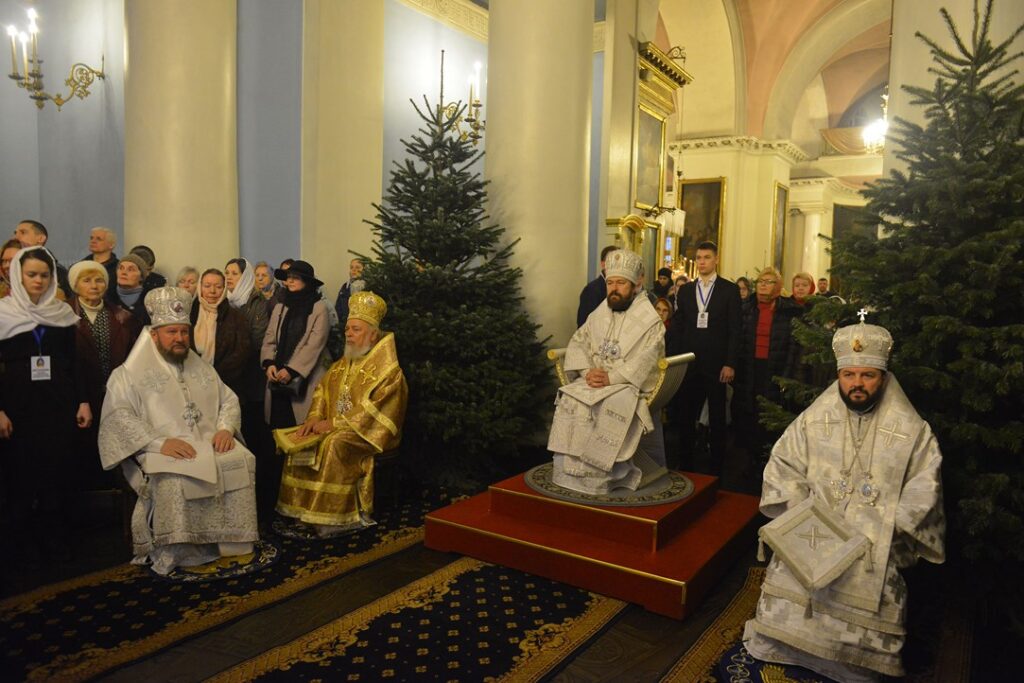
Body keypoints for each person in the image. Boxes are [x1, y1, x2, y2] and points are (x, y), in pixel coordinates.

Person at [743, 318, 945, 682]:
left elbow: (924, 487)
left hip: (874, 545)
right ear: (838, 375)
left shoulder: (913, 431)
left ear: (883, 377)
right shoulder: (813, 420)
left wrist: (889, 532)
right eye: (849, 375)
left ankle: (855, 664)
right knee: (793, 575)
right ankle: (791, 647)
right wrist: (800, 519)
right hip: (815, 533)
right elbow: (782, 466)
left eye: (867, 376)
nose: (857, 385)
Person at [98, 287, 259, 575]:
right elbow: (117, 417)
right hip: (161, 449)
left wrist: (225, 428)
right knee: (175, 476)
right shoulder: (128, 375)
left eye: (184, 332)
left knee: (242, 459)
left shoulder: (202, 368)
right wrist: (158, 444)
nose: (180, 339)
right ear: (154, 334)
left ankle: (231, 545)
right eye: (171, 332)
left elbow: (229, 399)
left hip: (209, 442)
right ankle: (183, 551)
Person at [275, 291, 408, 535]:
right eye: (348, 329)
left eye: (355, 329)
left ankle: (329, 519)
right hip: (339, 426)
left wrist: (334, 423)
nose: (348, 333)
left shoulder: (389, 372)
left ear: (372, 334)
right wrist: (314, 418)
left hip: (368, 433)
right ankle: (302, 513)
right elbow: (321, 393)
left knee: (333, 444)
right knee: (302, 440)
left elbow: (377, 411)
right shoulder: (340, 365)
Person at [548, 249, 666, 494]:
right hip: (595, 379)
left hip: (624, 384)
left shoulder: (650, 321)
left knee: (611, 403)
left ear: (636, 283)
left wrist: (611, 378)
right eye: (610, 282)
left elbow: (647, 360)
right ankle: (572, 471)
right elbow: (579, 341)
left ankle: (605, 475)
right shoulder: (598, 314)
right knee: (570, 396)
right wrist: (586, 371)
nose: (614, 288)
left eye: (621, 283)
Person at [0, 246, 90, 564]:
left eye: (44, 275)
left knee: (56, 473)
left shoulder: (61, 313)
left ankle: (54, 539)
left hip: (57, 404)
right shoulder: (3, 313)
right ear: (18, 276)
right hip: (17, 406)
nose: (38, 280)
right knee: (20, 477)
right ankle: (21, 543)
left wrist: (82, 401)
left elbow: (73, 362)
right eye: (32, 275)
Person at [260, 261, 331, 513]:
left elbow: (315, 343)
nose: (289, 282)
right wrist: (268, 362)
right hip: (277, 381)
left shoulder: (319, 307)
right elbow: (270, 337)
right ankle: (278, 499)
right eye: (287, 278)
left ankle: (301, 501)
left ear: (307, 282)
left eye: (295, 278)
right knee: (277, 438)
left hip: (303, 382)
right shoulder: (280, 306)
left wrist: (291, 370)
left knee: (300, 439)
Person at [668, 241, 741, 475]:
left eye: (706, 257)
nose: (701, 262)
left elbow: (735, 330)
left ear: (716, 259)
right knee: (686, 415)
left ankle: (717, 466)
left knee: (717, 417)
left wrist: (730, 363)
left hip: (717, 364)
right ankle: (686, 463)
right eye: (698, 257)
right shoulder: (687, 290)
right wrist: (674, 358)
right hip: (690, 363)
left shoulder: (729, 290)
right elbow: (679, 326)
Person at [68, 261, 142, 487]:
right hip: (78, 396)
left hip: (115, 396)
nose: (94, 285)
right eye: (86, 280)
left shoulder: (123, 318)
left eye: (99, 280)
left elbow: (134, 360)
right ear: (75, 285)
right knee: (81, 456)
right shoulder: (62, 316)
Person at [735, 267, 801, 460]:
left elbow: (793, 349)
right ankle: (751, 458)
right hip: (750, 368)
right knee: (750, 413)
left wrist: (787, 377)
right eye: (761, 280)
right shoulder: (746, 307)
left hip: (776, 368)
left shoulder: (790, 311)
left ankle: (770, 458)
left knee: (771, 414)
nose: (763, 284)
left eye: (769, 281)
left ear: (779, 287)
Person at [189, 269, 251, 398]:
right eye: (207, 286)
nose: (212, 291)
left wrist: (214, 377)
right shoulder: (188, 314)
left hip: (226, 386)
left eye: (218, 287)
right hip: (191, 383)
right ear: (200, 287)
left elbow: (241, 353)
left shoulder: (237, 318)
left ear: (224, 289)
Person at [13, 220, 72, 299]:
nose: (15, 238)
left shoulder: (59, 274)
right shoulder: (6, 268)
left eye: (23, 232)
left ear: (41, 238)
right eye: (15, 233)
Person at [576, 245, 617, 328]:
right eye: (612, 262)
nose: (616, 266)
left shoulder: (621, 288)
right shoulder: (592, 290)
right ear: (603, 264)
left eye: (618, 262)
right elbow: (584, 324)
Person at [108, 252, 153, 325]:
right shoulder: (106, 297)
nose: (124, 273)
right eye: (121, 268)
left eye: (131, 269)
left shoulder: (150, 299)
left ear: (141, 277)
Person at [334, 257, 365, 323]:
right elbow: (338, 307)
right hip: (345, 323)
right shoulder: (345, 286)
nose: (354, 270)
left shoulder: (368, 286)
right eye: (351, 267)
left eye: (357, 267)